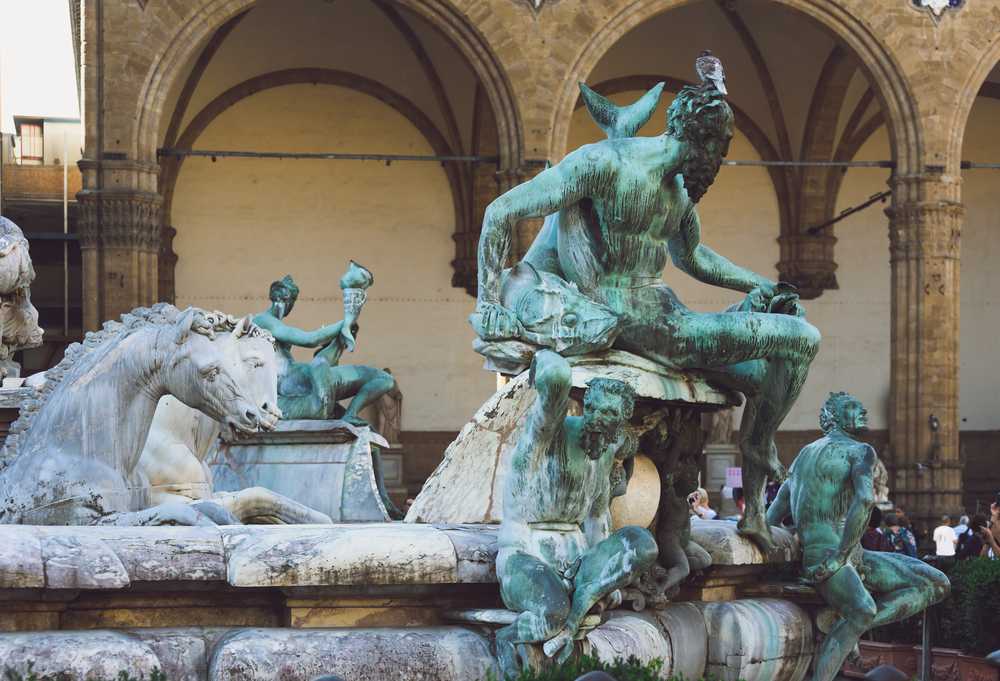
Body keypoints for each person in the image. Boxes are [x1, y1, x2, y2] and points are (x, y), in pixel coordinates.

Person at [471, 80, 821, 553]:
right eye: (722, 151)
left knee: (765, 378)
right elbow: (499, 212)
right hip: (638, 322)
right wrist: (488, 302)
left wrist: (761, 286)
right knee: (801, 337)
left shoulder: (676, 194)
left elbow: (695, 258)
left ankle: (754, 506)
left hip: (670, 318)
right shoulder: (605, 163)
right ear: (706, 141)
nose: (720, 164)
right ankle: (759, 450)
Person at [494, 350, 657, 676]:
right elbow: (555, 379)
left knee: (642, 542)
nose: (597, 417)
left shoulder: (608, 451)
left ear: (620, 422)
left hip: (577, 558)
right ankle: (506, 639)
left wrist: (602, 570)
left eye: (608, 412)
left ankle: (586, 593)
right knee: (552, 614)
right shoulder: (547, 434)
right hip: (525, 554)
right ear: (583, 405)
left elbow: (597, 517)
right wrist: (543, 357)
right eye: (592, 407)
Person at [766, 392, 949, 681]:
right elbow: (865, 501)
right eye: (853, 406)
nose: (863, 409)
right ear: (834, 418)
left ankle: (851, 631)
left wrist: (796, 539)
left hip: (843, 554)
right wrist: (839, 555)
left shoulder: (803, 455)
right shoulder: (860, 450)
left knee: (938, 582)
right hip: (831, 556)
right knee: (863, 609)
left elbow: (773, 516)